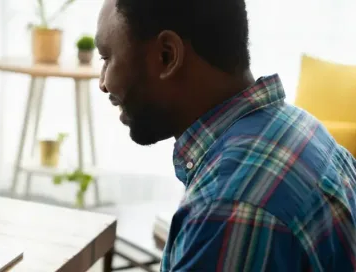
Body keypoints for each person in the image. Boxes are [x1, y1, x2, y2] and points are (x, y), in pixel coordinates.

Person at [95, 0, 356, 271]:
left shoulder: (228, 208)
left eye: (106, 58)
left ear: (167, 56)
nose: (103, 83)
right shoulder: (301, 128)